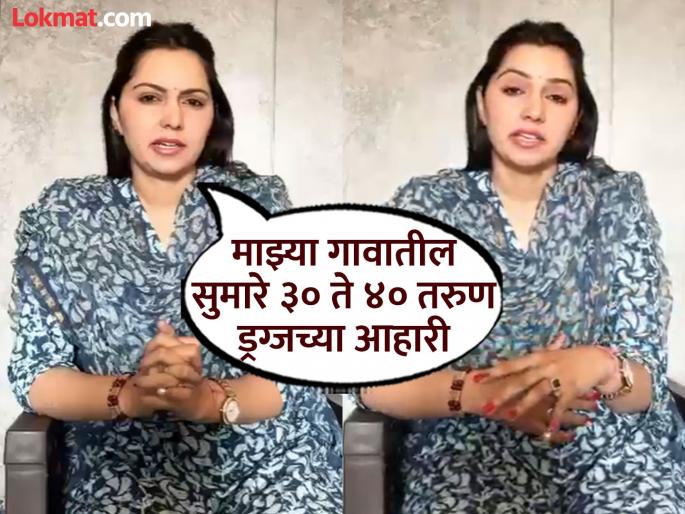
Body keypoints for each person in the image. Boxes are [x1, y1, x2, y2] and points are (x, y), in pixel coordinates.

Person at [7, 22, 342, 514]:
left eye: (193, 101)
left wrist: (206, 400)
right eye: (150, 98)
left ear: (212, 118)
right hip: (122, 467)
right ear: (116, 113)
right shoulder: (62, 215)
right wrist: (131, 396)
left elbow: (291, 375)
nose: (172, 119)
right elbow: (36, 374)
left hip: (270, 458)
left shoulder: (261, 203)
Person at [359, 20, 685, 513]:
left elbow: (645, 386)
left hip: (611, 448)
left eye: (556, 96)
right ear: (482, 104)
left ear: (575, 119)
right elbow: (375, 384)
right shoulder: (426, 206)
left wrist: (596, 365)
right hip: (467, 450)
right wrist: (484, 393)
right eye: (514, 89)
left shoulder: (616, 200)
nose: (534, 110)